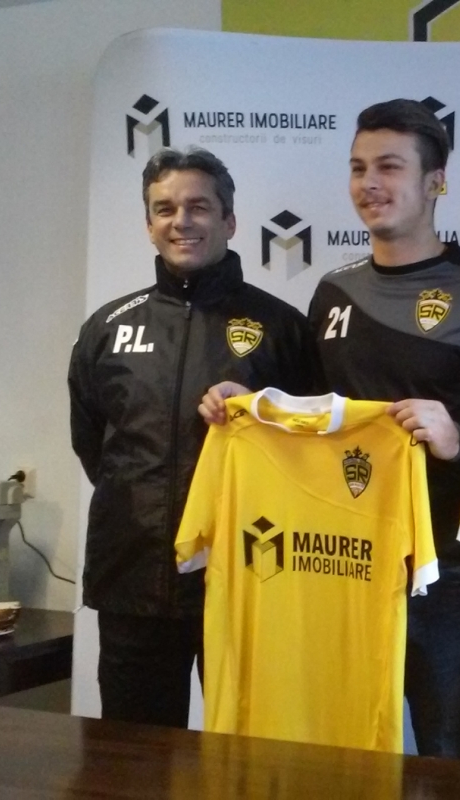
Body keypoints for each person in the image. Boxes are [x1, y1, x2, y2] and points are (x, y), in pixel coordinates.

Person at [201, 99, 460, 761]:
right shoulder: (333, 292)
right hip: (339, 561)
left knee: (452, 759)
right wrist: (250, 407)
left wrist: (455, 438)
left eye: (388, 166)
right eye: (357, 168)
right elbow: (309, 421)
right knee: (335, 750)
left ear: (435, 180)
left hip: (444, 572)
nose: (368, 183)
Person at [69, 146, 314, 728]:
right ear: (149, 224)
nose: (181, 221)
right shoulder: (108, 328)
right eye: (165, 209)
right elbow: (94, 446)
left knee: (252, 753)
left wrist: (259, 413)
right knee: (136, 761)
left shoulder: (283, 328)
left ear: (229, 221)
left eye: (199, 207)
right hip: (133, 581)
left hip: (248, 578)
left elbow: (313, 454)